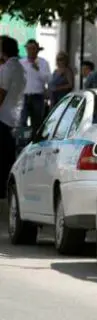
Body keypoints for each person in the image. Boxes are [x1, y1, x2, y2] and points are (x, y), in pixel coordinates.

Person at [0, 36, 26, 200]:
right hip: (13, 116)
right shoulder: (19, 67)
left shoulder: (7, 68)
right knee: (7, 155)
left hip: (3, 116)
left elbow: (1, 92)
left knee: (3, 156)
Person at [19, 39, 50, 133]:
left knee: (37, 122)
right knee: (22, 121)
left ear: (37, 50)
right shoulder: (21, 63)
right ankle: (22, 143)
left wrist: (38, 69)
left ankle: (33, 143)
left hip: (37, 96)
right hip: (23, 96)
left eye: (33, 48)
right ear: (26, 50)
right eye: (29, 49)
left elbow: (48, 79)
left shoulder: (43, 62)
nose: (31, 51)